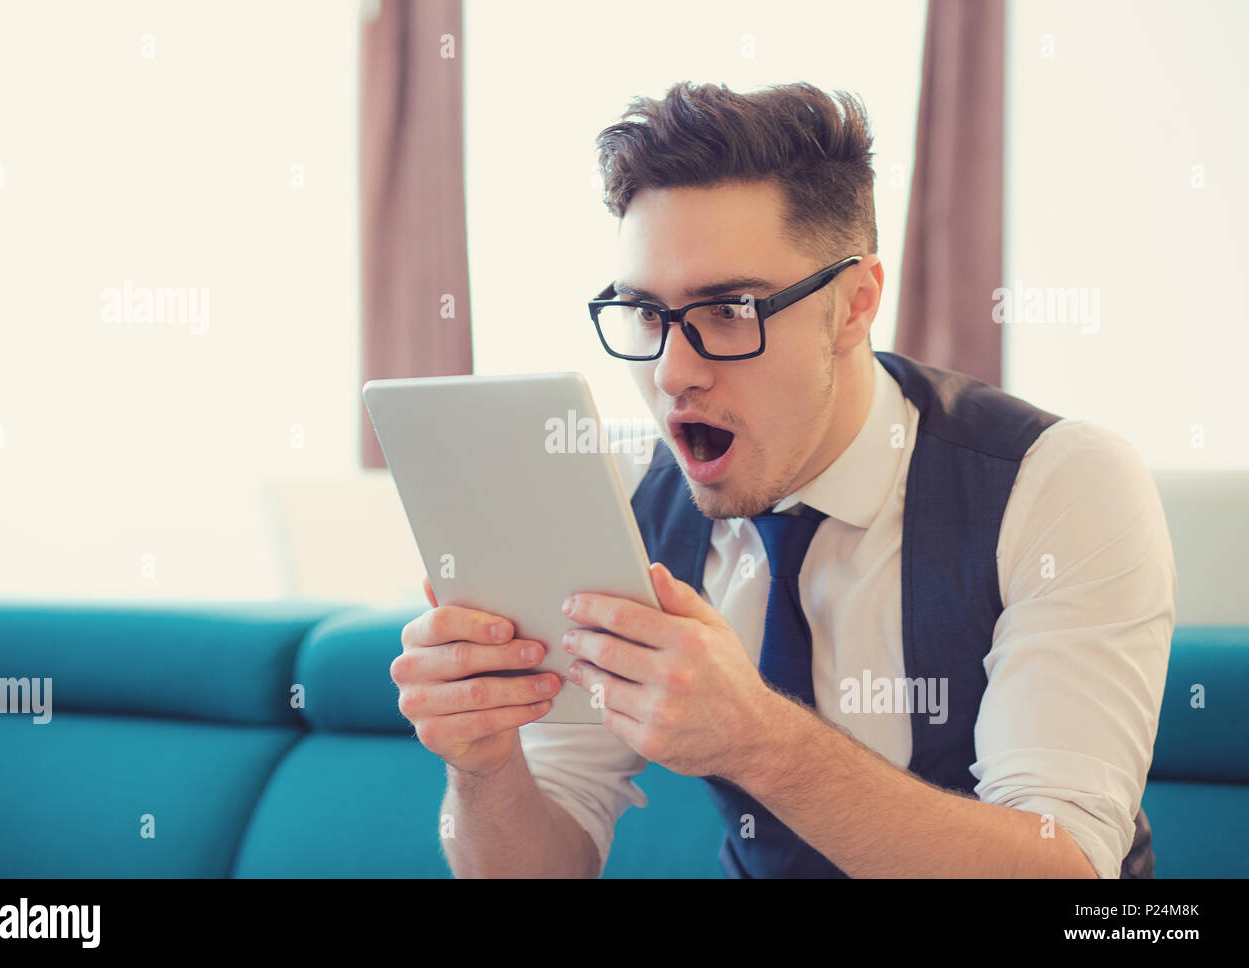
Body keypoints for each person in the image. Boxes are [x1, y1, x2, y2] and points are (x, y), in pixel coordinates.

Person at [391, 80, 1175, 878]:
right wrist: (484, 767)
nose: (672, 373)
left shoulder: (1061, 484)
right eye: (646, 314)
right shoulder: (625, 500)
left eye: (730, 310)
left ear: (856, 304)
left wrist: (759, 740)